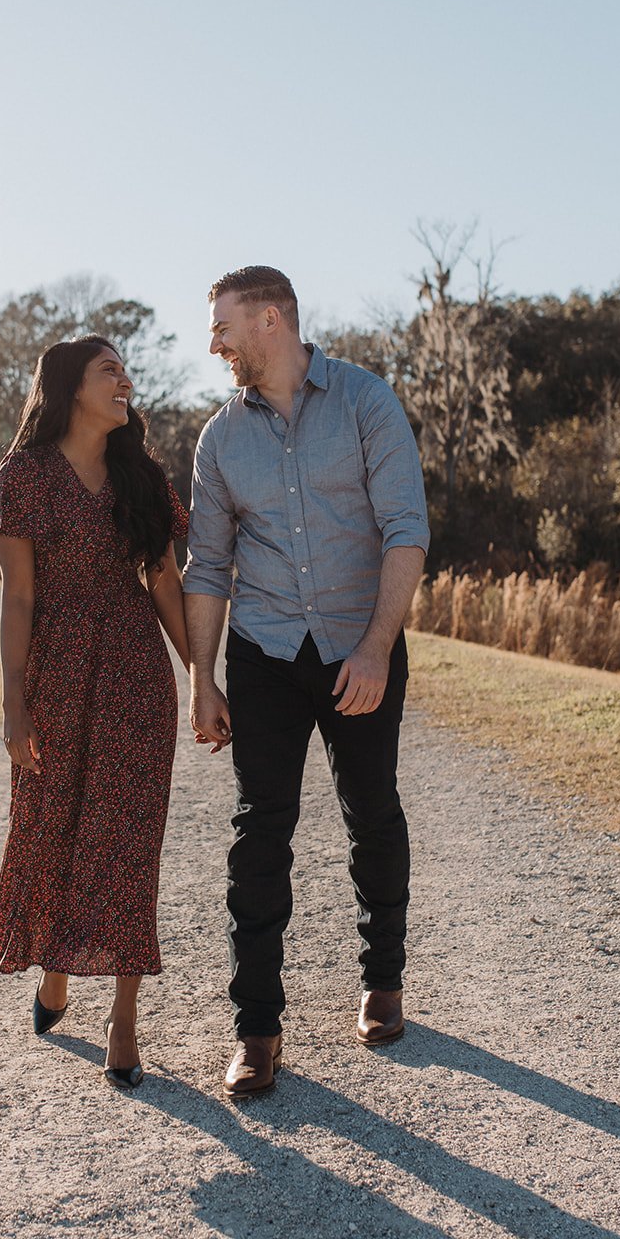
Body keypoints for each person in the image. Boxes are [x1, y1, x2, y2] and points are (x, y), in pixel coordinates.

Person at [182, 266, 429, 1098]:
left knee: (372, 810)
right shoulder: (219, 440)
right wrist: (201, 677)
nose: (212, 342)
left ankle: (381, 981)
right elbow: (207, 567)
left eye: (222, 325)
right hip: (266, 651)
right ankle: (256, 1029)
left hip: (362, 644)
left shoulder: (364, 402)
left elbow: (405, 530)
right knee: (260, 833)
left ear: (271, 320)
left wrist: (374, 648)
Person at [0, 335, 189, 1089]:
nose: (126, 381)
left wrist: (202, 675)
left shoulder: (143, 478)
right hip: (55, 674)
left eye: (126, 371)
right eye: (110, 371)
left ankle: (124, 1020)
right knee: (50, 829)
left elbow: (165, 585)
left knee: (128, 842)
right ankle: (55, 972)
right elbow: (19, 597)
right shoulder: (23, 475)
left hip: (134, 674)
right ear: (68, 388)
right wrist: (12, 704)